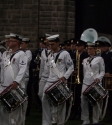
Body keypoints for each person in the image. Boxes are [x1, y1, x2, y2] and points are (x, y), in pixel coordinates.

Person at [42, 34, 74, 125]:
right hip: (49, 81)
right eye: (49, 45)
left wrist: (65, 77)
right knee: (45, 101)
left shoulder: (65, 53)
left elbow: (71, 67)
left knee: (60, 104)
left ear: (58, 43)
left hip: (60, 81)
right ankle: (46, 122)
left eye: (53, 44)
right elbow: (48, 69)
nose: (51, 46)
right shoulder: (50, 54)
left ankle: (60, 122)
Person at [0, 33, 28, 125]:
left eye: (10, 40)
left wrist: (17, 81)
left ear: (17, 42)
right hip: (4, 85)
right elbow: (3, 69)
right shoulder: (5, 54)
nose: (7, 42)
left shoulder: (22, 54)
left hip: (15, 86)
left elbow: (23, 69)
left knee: (15, 112)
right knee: (2, 111)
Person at [81, 42, 105, 125]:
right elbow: (84, 72)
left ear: (95, 49)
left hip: (95, 82)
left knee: (96, 101)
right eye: (88, 48)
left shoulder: (99, 59)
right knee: (83, 100)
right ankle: (85, 119)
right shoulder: (85, 60)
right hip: (86, 82)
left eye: (91, 48)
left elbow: (102, 71)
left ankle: (95, 119)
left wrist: (99, 78)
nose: (89, 50)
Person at [20, 37, 32, 116]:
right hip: (18, 76)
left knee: (24, 94)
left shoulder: (28, 52)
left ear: (26, 44)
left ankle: (25, 110)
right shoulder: (20, 52)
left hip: (25, 76)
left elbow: (25, 62)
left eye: (23, 44)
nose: (21, 45)